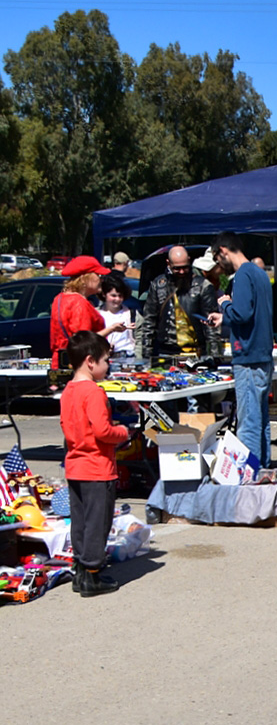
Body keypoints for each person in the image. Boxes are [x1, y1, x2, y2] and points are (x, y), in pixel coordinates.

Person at [61, 330, 130, 597]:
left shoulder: (68, 390)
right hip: (97, 467)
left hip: (75, 464)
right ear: (91, 362)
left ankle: (80, 568)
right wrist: (122, 432)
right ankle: (91, 573)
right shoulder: (94, 392)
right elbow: (102, 431)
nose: (108, 365)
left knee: (79, 520)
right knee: (97, 523)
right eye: (105, 360)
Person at [207, 232, 273, 467]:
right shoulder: (259, 273)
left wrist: (225, 303)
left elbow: (242, 313)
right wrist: (224, 318)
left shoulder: (243, 274)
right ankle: (262, 469)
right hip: (262, 355)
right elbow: (251, 314)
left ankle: (250, 476)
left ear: (223, 250)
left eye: (217, 259)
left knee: (249, 422)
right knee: (261, 419)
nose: (219, 265)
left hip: (248, 356)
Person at [136, 245, 220, 359]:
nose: (181, 272)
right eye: (177, 268)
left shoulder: (203, 286)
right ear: (168, 264)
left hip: (196, 352)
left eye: (185, 267)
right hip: (165, 351)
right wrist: (147, 356)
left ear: (189, 261)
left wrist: (214, 357)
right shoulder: (158, 285)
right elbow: (149, 322)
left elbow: (211, 325)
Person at [50, 256, 130, 370]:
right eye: (98, 275)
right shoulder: (80, 303)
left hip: (59, 363)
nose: (101, 280)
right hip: (80, 367)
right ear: (85, 279)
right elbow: (84, 341)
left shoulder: (59, 299)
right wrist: (111, 329)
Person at [98, 274, 136, 357]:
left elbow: (139, 340)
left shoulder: (132, 314)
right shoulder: (96, 313)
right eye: (113, 295)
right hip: (103, 356)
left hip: (127, 356)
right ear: (104, 294)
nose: (117, 299)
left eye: (120, 296)